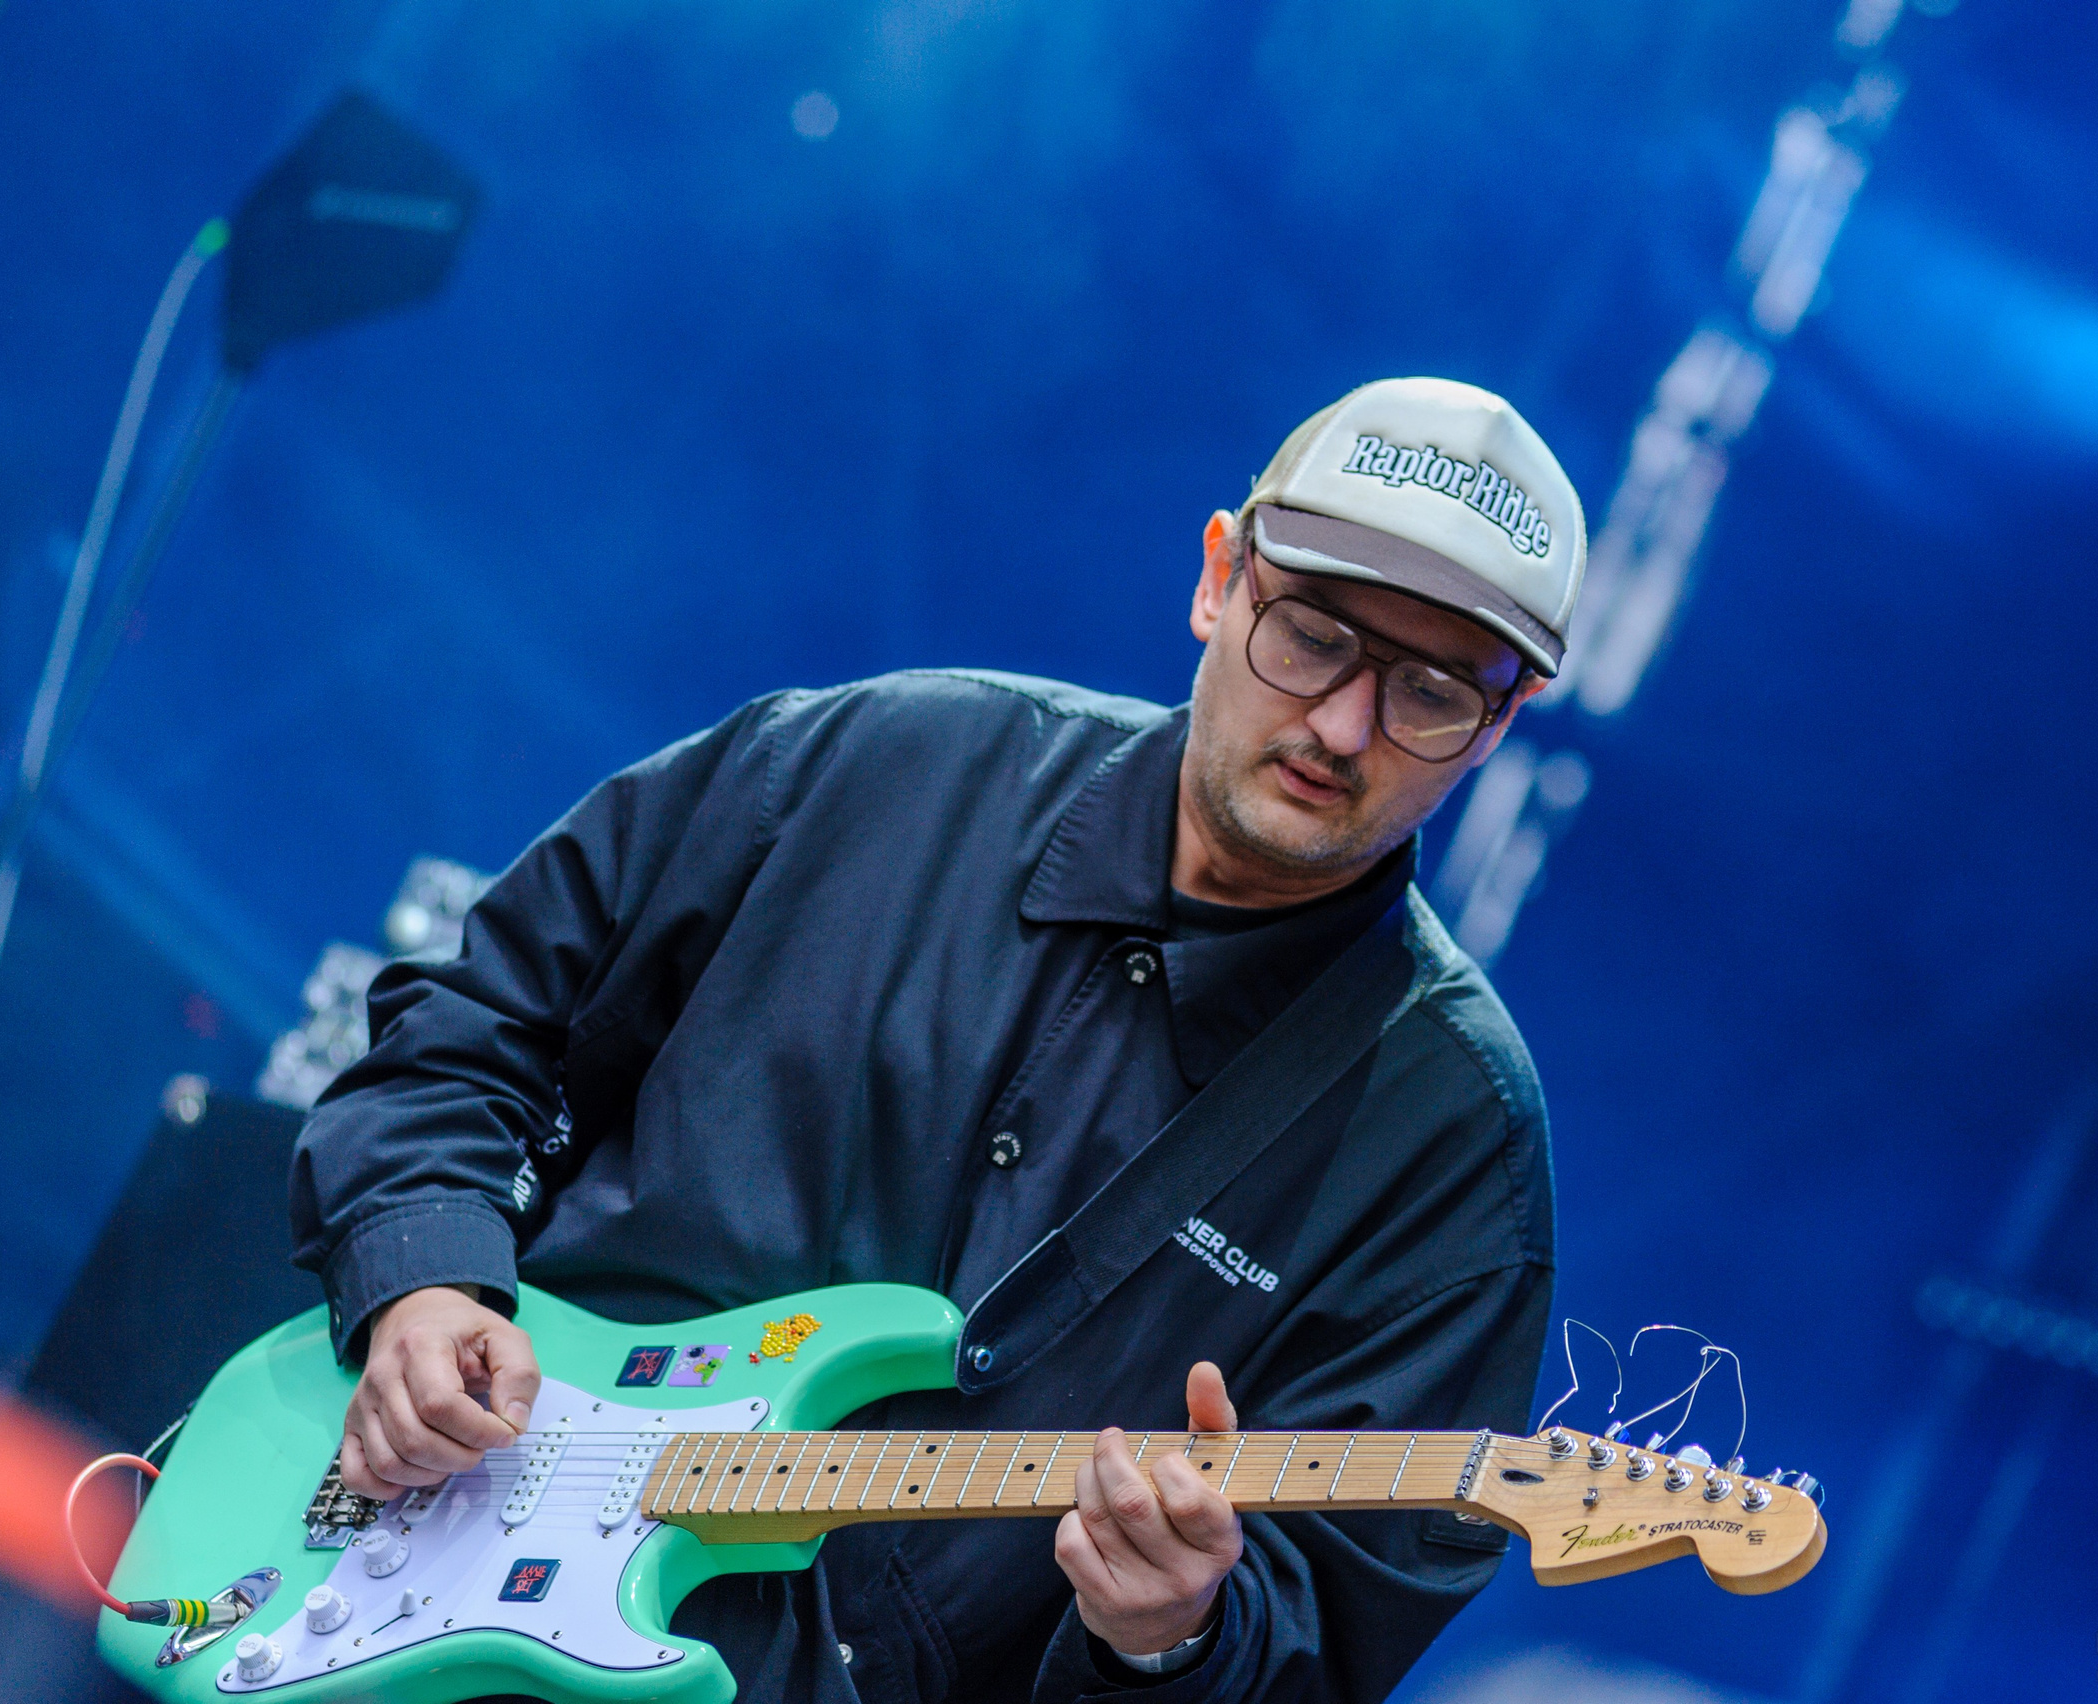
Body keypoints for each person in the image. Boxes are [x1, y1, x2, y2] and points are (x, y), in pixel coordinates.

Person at [290, 376, 1582, 1704]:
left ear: (1504, 721)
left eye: (1432, 693)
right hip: (405, 1576)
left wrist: (1174, 1639)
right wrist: (427, 1280)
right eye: (1310, 636)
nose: (1344, 726)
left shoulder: (1455, 1149)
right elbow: (477, 1017)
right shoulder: (885, 764)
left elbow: (1324, 1639)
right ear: (1219, 578)